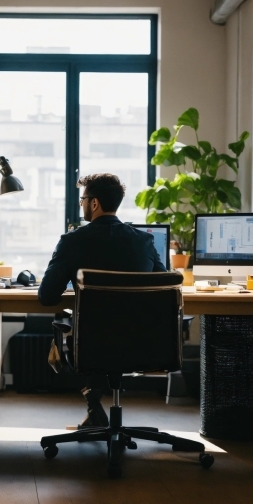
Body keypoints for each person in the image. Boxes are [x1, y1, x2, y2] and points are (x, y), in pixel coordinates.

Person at [38, 173, 166, 428]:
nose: (81, 205)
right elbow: (164, 287)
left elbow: (47, 296)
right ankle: (95, 410)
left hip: (91, 345)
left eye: (82, 199)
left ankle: (94, 406)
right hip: (145, 342)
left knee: (66, 333)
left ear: (94, 203)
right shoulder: (144, 240)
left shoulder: (72, 241)